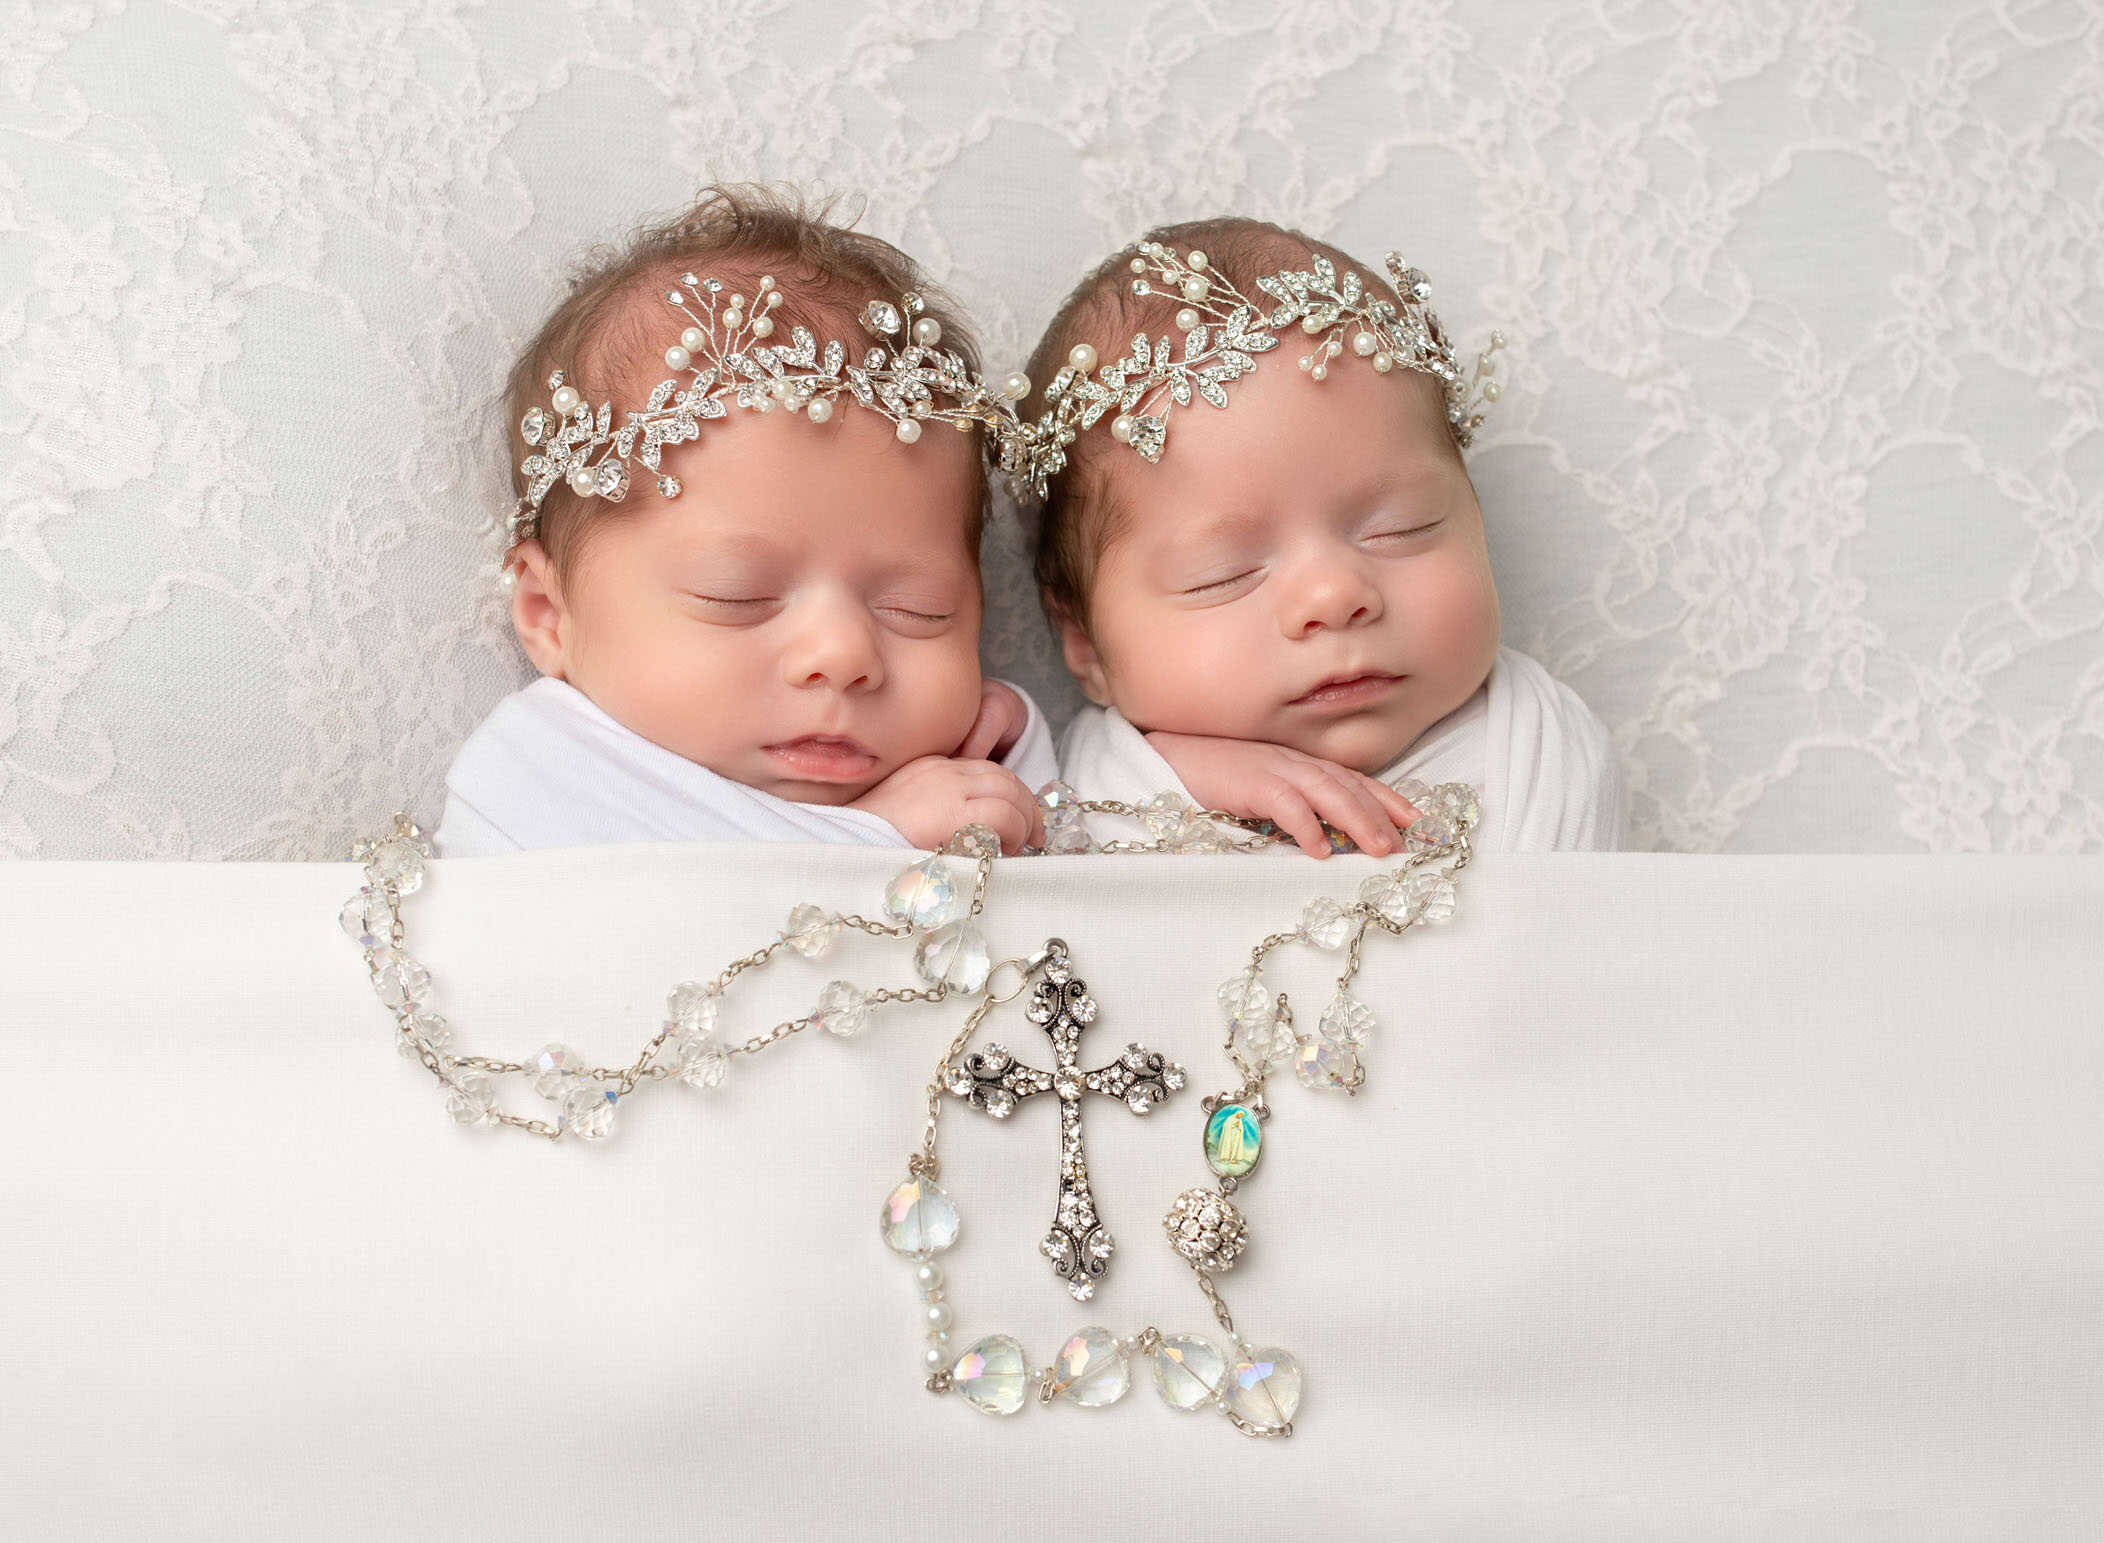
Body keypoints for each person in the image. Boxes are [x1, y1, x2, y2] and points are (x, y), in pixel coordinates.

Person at [435, 185, 1055, 858]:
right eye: (737, 596)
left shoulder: (971, 767)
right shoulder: (538, 766)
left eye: (920, 609)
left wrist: (1015, 762)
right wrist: (872, 837)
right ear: (548, 613)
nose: (843, 654)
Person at [1017, 217, 1625, 855]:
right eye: (1224, 574)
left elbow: (1573, 944)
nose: (1335, 596)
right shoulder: (1091, 775)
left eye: (1401, 529)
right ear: (1086, 644)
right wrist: (1185, 779)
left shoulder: (1534, 742)